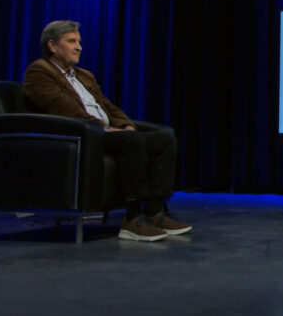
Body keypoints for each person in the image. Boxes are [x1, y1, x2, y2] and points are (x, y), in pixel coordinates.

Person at [23, 20, 191, 242]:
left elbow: (108, 106)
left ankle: (155, 211)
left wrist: (124, 125)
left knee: (164, 139)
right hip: (82, 136)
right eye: (71, 41)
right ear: (52, 46)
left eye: (79, 42)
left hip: (106, 134)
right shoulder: (39, 71)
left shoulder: (84, 75)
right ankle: (131, 219)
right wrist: (104, 128)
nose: (79, 47)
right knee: (130, 141)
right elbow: (62, 108)